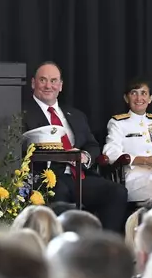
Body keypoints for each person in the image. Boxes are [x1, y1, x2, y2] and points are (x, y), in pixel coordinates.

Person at [22, 62, 129, 233]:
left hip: (78, 175)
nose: (48, 85)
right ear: (33, 83)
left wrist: (84, 156)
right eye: (43, 80)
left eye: (53, 80)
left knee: (117, 192)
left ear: (61, 85)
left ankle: (105, 248)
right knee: (60, 194)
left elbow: (92, 144)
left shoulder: (76, 115)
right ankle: (63, 251)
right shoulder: (21, 113)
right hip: (45, 178)